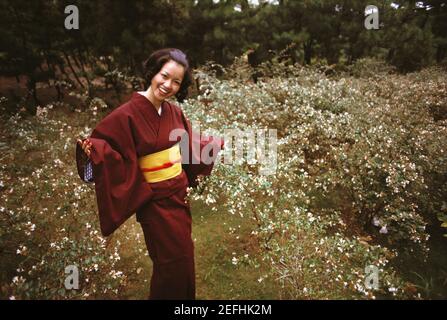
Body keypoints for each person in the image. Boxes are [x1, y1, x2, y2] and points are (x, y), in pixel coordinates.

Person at [75, 48, 223, 300]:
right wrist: (93, 153)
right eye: (164, 76)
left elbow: (188, 145)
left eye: (176, 81)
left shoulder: (174, 112)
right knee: (170, 266)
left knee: (184, 260)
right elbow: (106, 149)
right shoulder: (125, 115)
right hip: (154, 203)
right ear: (153, 72)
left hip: (179, 197)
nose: (168, 85)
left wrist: (213, 145)